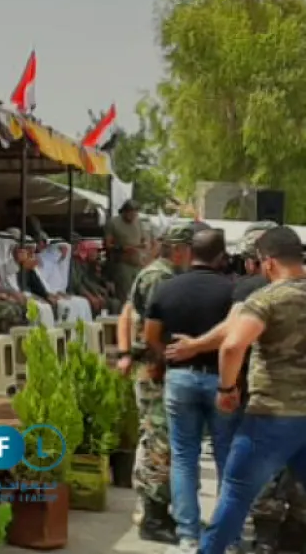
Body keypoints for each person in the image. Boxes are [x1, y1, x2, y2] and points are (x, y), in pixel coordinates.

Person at [197, 227, 306, 553]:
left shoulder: (267, 299)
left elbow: (232, 346)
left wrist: (226, 388)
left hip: (271, 416)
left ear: (268, 263)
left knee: (236, 491)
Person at [142, 227, 236, 549]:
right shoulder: (231, 291)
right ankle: (228, 535)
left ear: (189, 252)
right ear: (222, 257)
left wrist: (164, 356)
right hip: (220, 380)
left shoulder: (166, 289)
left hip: (179, 378)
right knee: (226, 456)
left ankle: (187, 534)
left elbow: (150, 334)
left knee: (183, 456)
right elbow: (235, 336)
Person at [117, 222, 196, 545]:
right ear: (179, 249)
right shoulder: (159, 277)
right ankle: (153, 515)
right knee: (158, 441)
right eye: (192, 250)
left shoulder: (161, 274)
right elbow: (152, 330)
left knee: (156, 438)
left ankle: (156, 510)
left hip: (152, 366)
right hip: (154, 369)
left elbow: (126, 311)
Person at [106, 200, 152, 305]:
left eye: (136, 213)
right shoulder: (113, 223)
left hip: (138, 264)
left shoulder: (139, 222)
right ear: (125, 212)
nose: (134, 216)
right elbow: (107, 245)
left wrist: (145, 243)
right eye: (131, 213)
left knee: (140, 295)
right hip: (122, 264)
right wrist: (123, 248)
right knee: (125, 297)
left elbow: (144, 239)